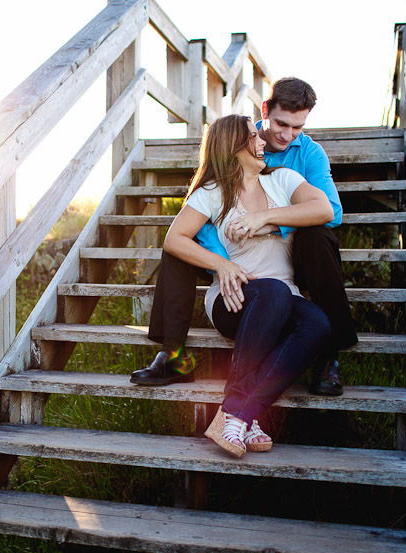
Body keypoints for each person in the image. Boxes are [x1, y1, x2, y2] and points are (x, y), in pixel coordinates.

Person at [130, 77, 357, 396]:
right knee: (178, 246)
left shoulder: (303, 159)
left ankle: (326, 356)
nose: (286, 135)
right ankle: (174, 354)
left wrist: (267, 222)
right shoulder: (228, 163)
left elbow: (330, 209)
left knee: (316, 239)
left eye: (297, 127)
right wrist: (221, 263)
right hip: (231, 253)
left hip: (292, 254)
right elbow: (197, 224)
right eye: (280, 124)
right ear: (265, 110)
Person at [162, 114, 332, 457]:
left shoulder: (283, 180)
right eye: (254, 138)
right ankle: (243, 415)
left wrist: (265, 217)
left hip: (282, 296)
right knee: (272, 291)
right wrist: (221, 264)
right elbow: (174, 239)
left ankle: (239, 412)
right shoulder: (212, 193)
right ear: (233, 146)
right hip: (234, 300)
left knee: (316, 322)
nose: (262, 142)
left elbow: (323, 209)